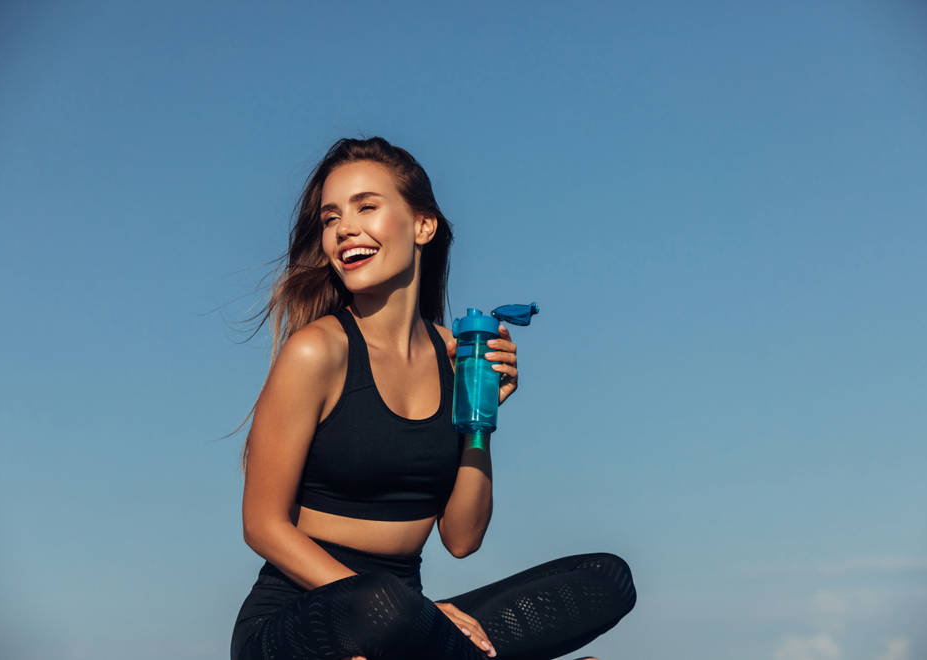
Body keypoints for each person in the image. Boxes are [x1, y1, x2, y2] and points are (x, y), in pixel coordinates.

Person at [229, 137, 636, 660]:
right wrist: (414, 612)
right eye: (331, 218)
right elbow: (262, 525)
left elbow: (462, 539)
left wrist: (479, 419)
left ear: (423, 225)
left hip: (410, 629)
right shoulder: (317, 352)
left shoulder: (456, 357)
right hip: (304, 617)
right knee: (384, 605)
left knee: (607, 578)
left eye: (366, 207)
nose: (344, 229)